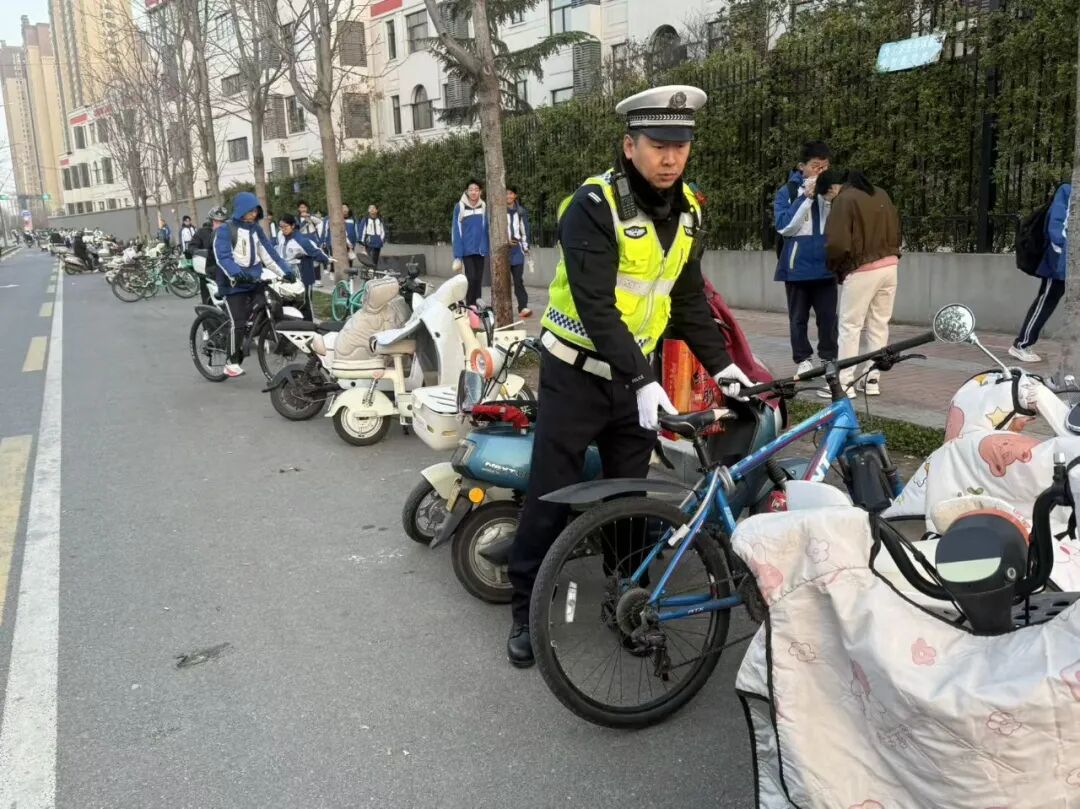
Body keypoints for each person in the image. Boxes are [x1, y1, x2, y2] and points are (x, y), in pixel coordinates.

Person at [503, 84, 751, 667]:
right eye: (658, 146)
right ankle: (526, 610)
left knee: (629, 495)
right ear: (629, 145)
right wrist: (643, 379)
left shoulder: (688, 211)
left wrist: (726, 368)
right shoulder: (593, 205)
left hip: (636, 381)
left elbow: (687, 301)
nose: (670, 159)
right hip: (575, 373)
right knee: (551, 492)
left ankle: (628, 601)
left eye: (680, 147)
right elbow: (595, 305)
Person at [821, 168, 902, 398]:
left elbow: (837, 244)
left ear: (832, 188)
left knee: (850, 326)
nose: (828, 201)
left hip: (862, 269)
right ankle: (871, 379)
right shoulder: (881, 193)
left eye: (826, 197)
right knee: (879, 324)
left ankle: (844, 382)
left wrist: (836, 267)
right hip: (890, 265)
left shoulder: (844, 199)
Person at [213, 191, 296, 378]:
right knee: (238, 322)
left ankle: (263, 337)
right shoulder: (225, 230)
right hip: (233, 284)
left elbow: (270, 255)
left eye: (256, 211)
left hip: (254, 280)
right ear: (241, 210)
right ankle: (230, 362)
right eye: (251, 210)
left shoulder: (256, 230)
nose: (254, 214)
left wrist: (286, 272)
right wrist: (236, 273)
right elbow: (223, 257)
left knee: (273, 305)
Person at [774, 141, 838, 375]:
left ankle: (829, 358)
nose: (820, 172)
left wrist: (832, 199)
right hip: (797, 267)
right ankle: (803, 359)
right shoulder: (788, 192)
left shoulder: (833, 190)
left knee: (828, 318)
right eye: (815, 166)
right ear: (802, 167)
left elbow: (840, 225)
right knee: (798, 318)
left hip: (825, 265)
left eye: (825, 167)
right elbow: (785, 227)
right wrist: (806, 198)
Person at [1010, 183, 1071, 363]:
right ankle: (1022, 344)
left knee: (1048, 300)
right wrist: (1062, 251)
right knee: (1047, 300)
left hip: (1069, 259)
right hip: (1060, 260)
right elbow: (1056, 224)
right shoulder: (1068, 190)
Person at [278, 213, 331, 320]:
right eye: (281, 227)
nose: (283, 229)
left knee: (305, 301)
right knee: (289, 300)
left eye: (285, 226)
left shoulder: (301, 240)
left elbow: (316, 253)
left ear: (293, 225)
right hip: (287, 275)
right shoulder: (281, 236)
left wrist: (327, 260)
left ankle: (309, 324)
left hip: (303, 274)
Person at [451, 180, 489, 306]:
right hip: (466, 250)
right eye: (471, 189)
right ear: (467, 191)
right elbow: (456, 231)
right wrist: (458, 254)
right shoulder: (460, 207)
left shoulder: (483, 206)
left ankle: (477, 305)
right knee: (471, 278)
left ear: (480, 192)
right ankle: (470, 305)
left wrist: (486, 246)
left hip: (480, 250)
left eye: (476, 190)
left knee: (478, 279)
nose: (473, 192)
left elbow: (486, 228)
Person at [186, 206, 229, 305]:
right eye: (216, 222)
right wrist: (201, 253)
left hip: (227, 270)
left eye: (222, 222)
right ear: (211, 221)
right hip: (208, 271)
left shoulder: (230, 232)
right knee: (209, 301)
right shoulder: (202, 232)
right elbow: (191, 247)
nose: (219, 225)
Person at [506, 188, 531, 317]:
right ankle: (503, 308)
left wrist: (526, 247)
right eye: (506, 193)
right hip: (503, 250)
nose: (508, 196)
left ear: (515, 195)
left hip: (517, 250)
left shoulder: (521, 211)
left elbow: (524, 230)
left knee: (518, 280)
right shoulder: (498, 211)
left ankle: (523, 307)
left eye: (511, 193)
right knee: (503, 282)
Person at [297, 200, 324, 286]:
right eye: (301, 207)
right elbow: (297, 229)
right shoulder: (297, 219)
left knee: (316, 260)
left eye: (304, 207)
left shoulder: (311, 217)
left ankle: (318, 279)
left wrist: (309, 217)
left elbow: (320, 222)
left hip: (313, 239)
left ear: (307, 208)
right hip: (303, 240)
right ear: (298, 209)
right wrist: (304, 222)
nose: (303, 209)